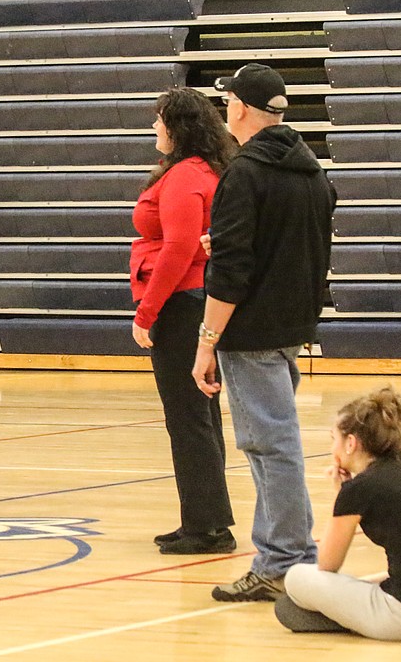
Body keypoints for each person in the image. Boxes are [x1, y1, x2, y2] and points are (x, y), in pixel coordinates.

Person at [192, 63, 336, 601]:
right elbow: (299, 248)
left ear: (241, 109)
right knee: (270, 444)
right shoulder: (311, 171)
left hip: (249, 332)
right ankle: (284, 556)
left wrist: (206, 344)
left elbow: (231, 275)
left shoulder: (244, 173)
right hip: (291, 326)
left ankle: (284, 563)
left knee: (271, 446)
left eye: (228, 101)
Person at [130, 88, 237, 555]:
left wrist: (146, 313)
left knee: (189, 418)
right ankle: (206, 519)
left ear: (178, 127)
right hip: (193, 300)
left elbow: (178, 249)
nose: (154, 127)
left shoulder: (184, 178)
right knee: (200, 416)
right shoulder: (199, 171)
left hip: (180, 304)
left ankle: (205, 527)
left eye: (159, 120)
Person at [276, 387, 401, 640]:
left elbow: (327, 564)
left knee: (297, 578)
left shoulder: (359, 488)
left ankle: (347, 617)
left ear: (351, 443)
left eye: (334, 439)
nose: (333, 447)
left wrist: (341, 494)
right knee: (376, 578)